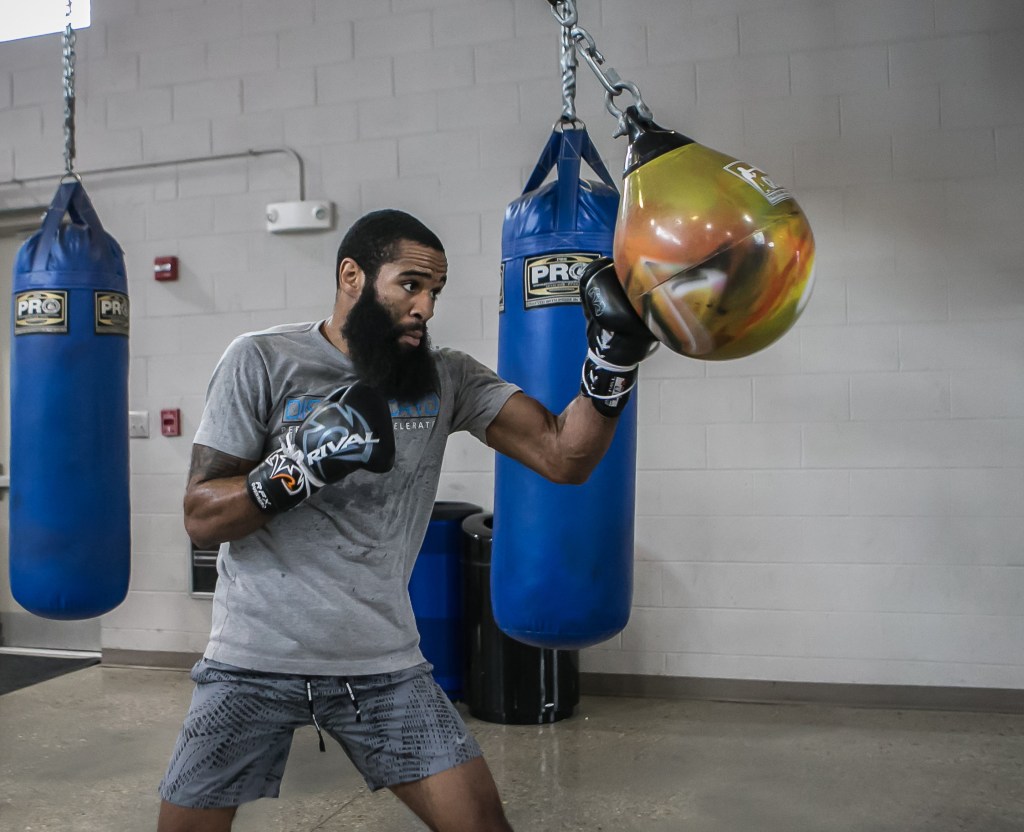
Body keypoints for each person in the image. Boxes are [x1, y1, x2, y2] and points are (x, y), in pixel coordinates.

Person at [157, 209, 656, 832]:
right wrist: (296, 468)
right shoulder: (261, 359)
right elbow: (201, 517)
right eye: (410, 285)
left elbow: (564, 456)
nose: (425, 307)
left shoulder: (446, 376)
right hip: (251, 658)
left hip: (381, 662)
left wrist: (612, 362)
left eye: (435, 292)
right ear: (352, 276)